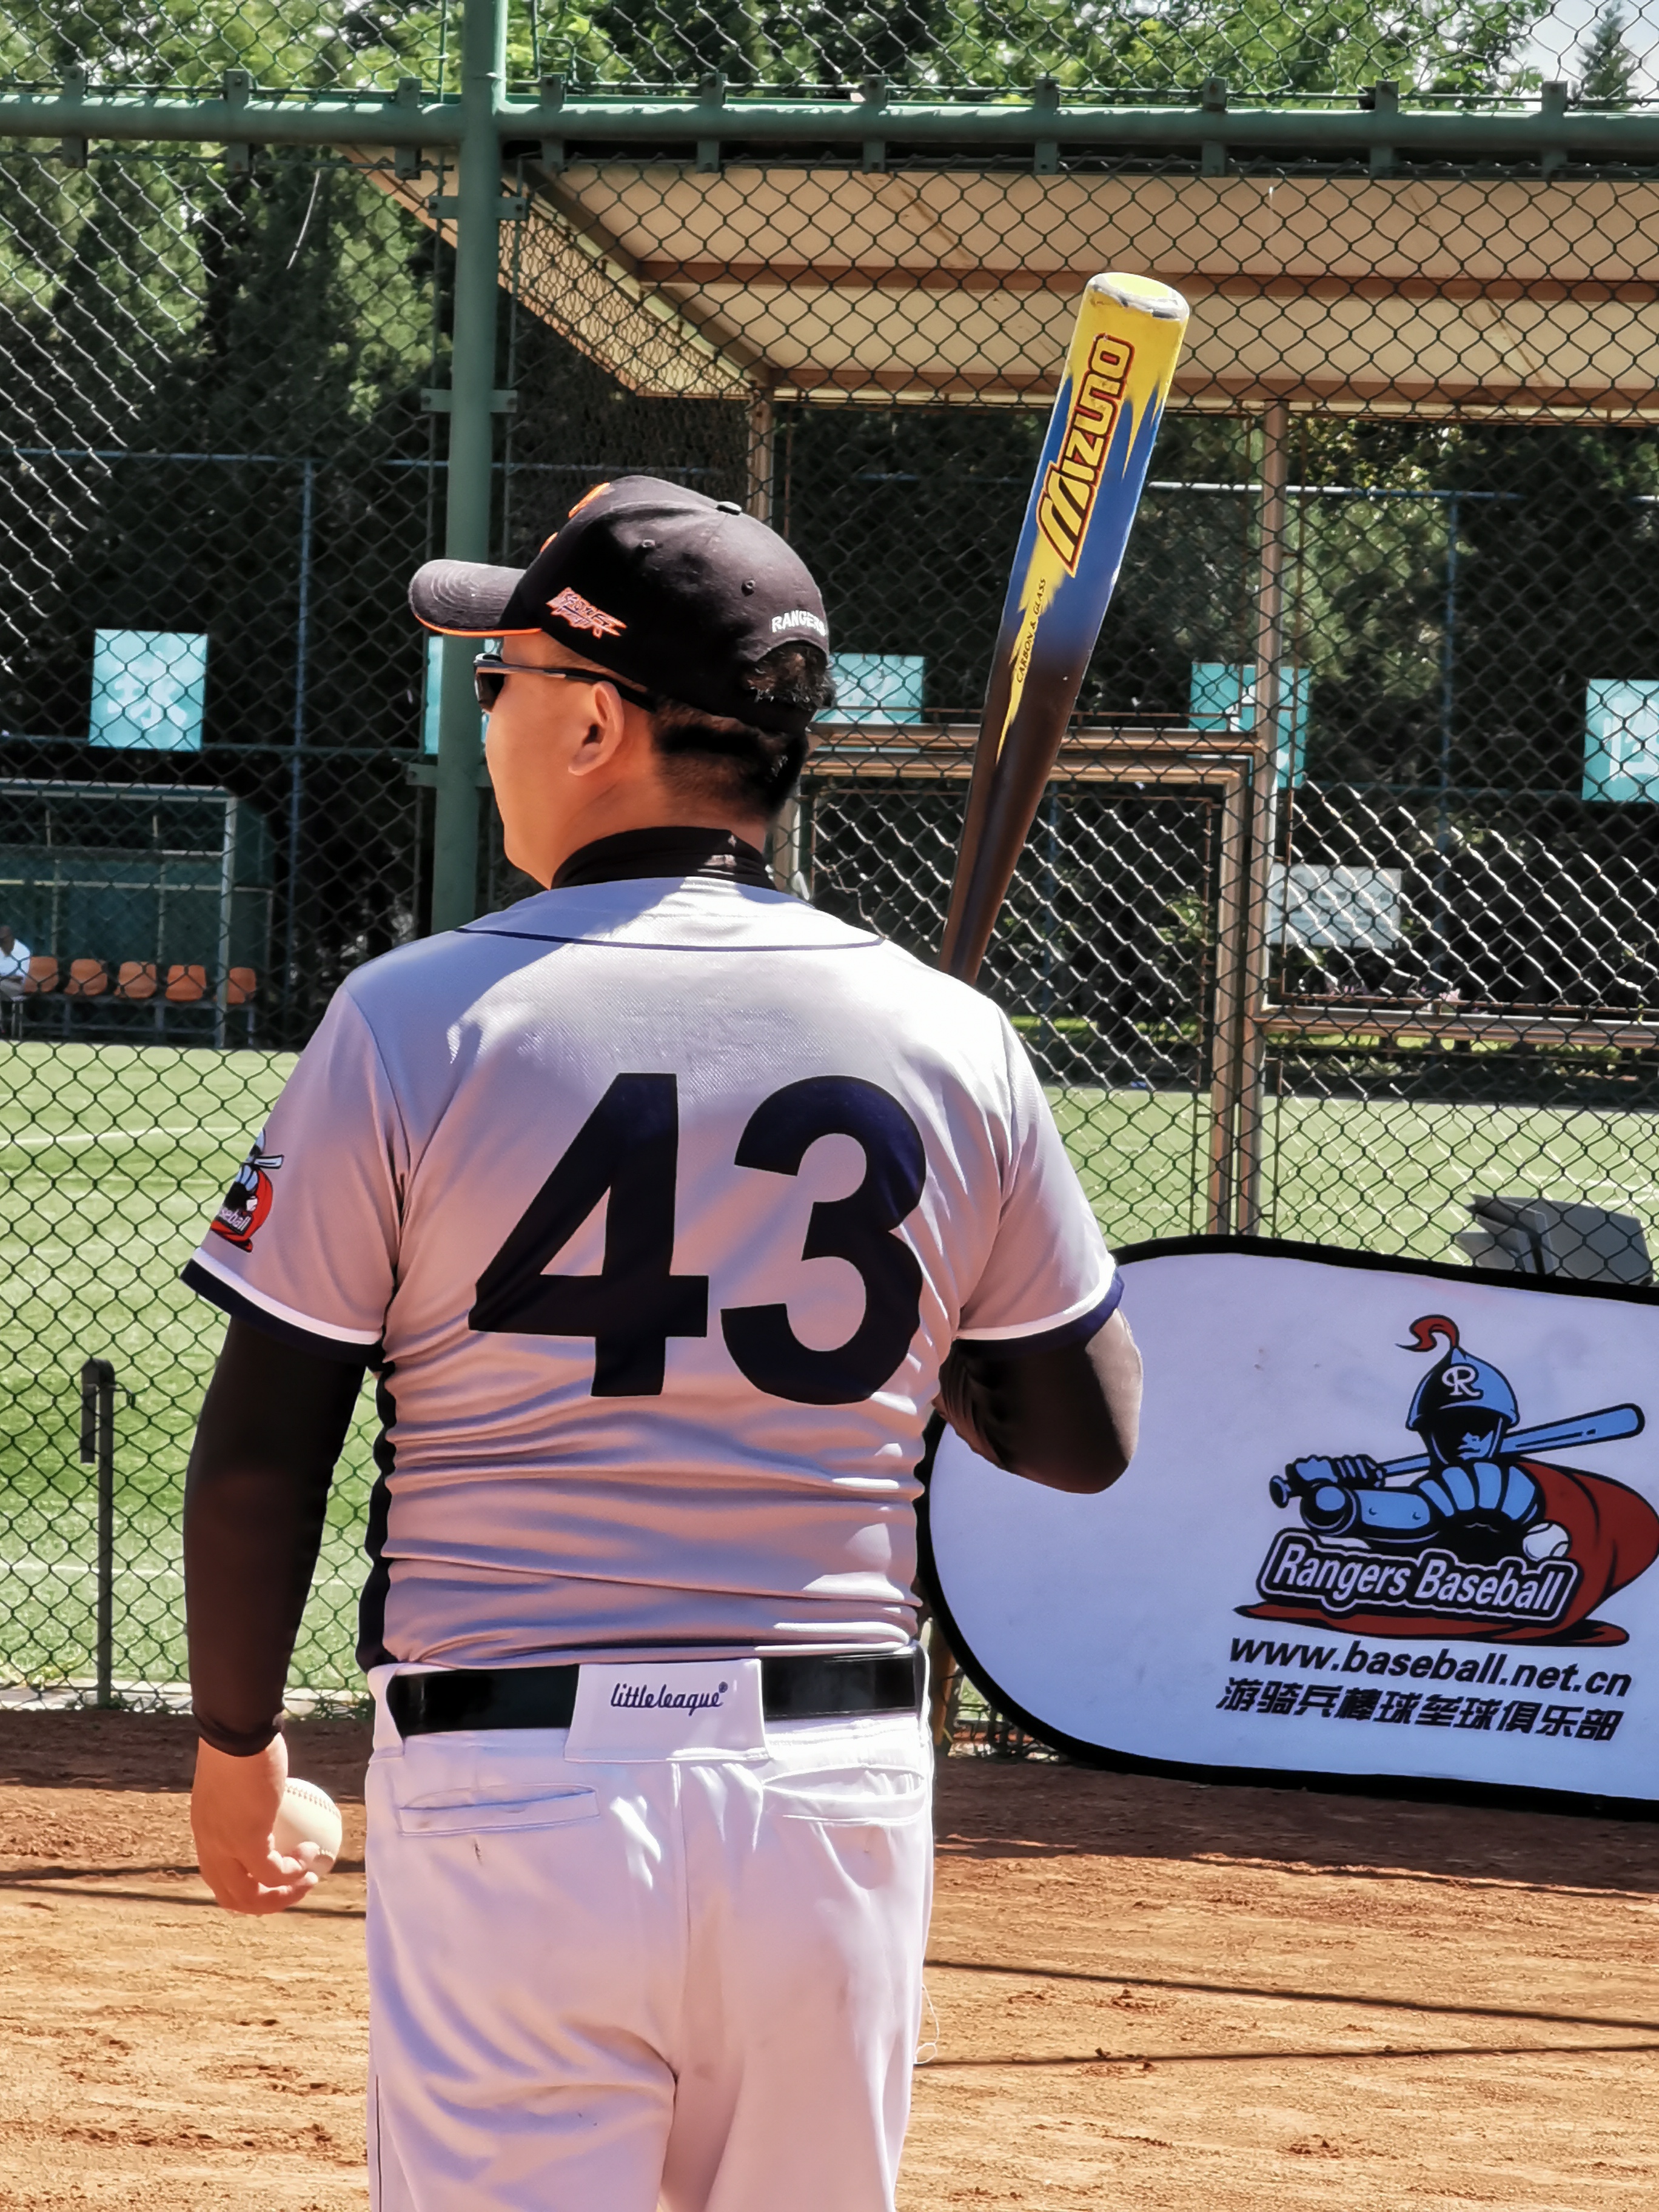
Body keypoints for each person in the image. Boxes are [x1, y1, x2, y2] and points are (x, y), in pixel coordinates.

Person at [181, 476, 1142, 2212]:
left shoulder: (415, 1018)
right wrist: (942, 1341)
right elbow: (1082, 1436)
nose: (486, 715)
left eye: (503, 680)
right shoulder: (947, 1037)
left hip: (514, 1789)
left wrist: (237, 1748)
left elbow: (264, 1452)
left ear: (597, 723)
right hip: (829, 1789)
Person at [0, 923, 32, 1000]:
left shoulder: (22, 951)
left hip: (15, 985)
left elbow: (19, 977)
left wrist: (3, 977)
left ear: (10, 938)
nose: (2, 943)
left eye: (3, 940)